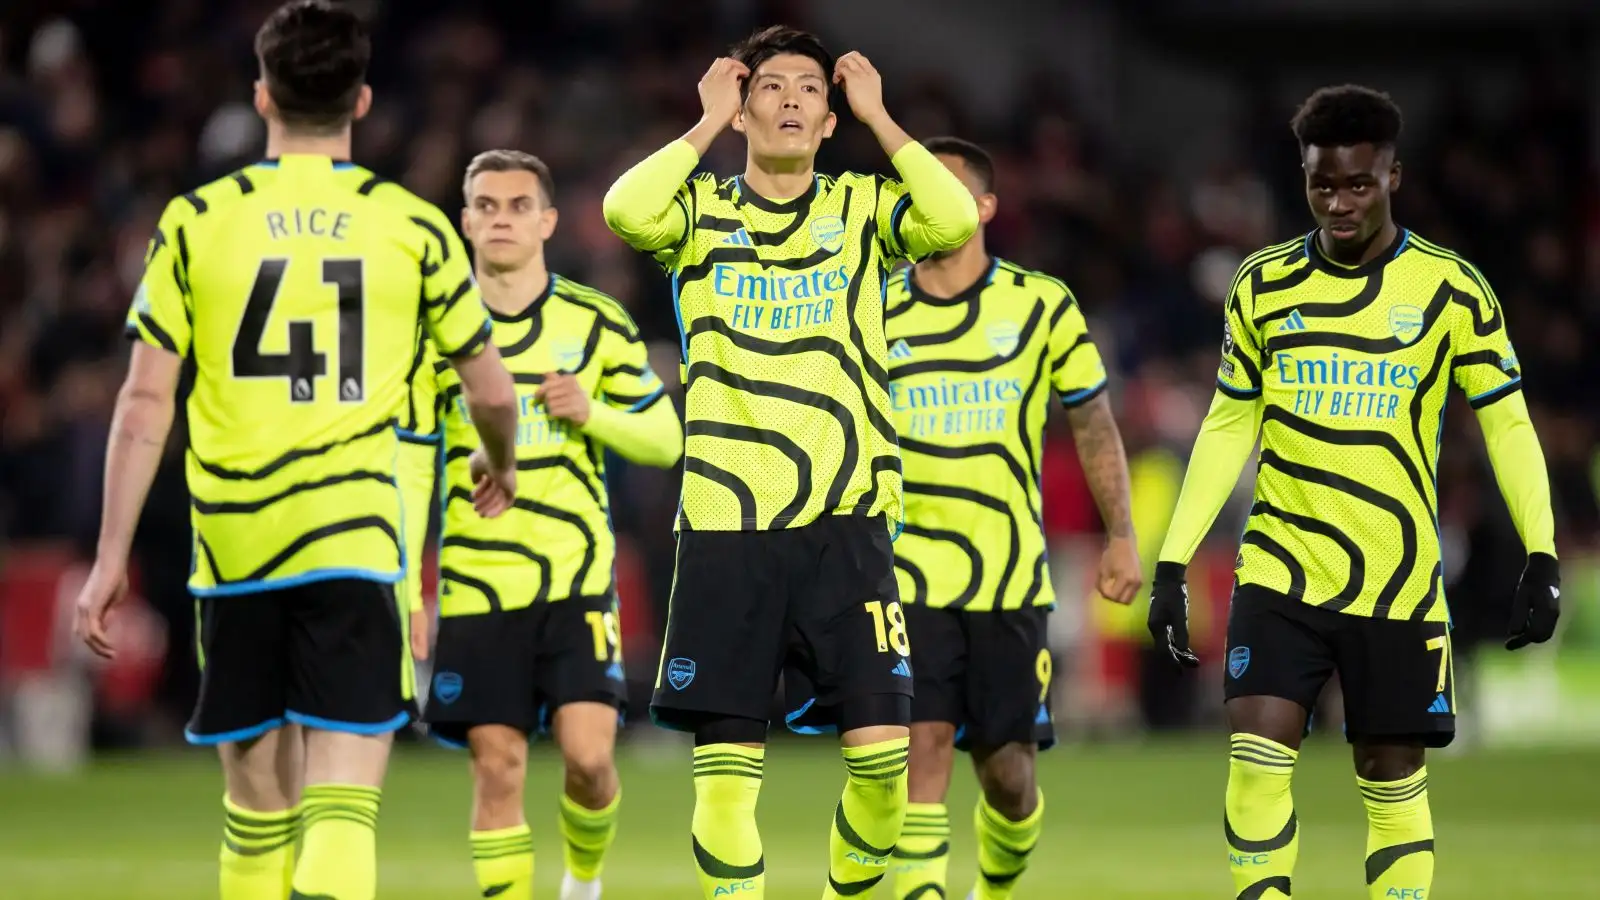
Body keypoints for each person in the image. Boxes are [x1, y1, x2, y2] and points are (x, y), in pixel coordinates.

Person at [71, 3, 519, 900]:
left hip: (236, 548)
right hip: (355, 536)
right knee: (343, 807)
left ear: (261, 94)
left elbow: (144, 399)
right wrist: (498, 462)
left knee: (255, 811)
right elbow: (491, 388)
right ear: (361, 101)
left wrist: (110, 556)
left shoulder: (197, 219)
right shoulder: (413, 226)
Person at [1146, 84, 1560, 900]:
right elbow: (1229, 426)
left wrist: (1542, 552)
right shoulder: (1263, 286)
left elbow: (1507, 426)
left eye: (1357, 184)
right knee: (1256, 753)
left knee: (1391, 773)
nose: (1338, 202)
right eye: (1321, 184)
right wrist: (1172, 561)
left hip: (1397, 578)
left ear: (1393, 176)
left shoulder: (1451, 290)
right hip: (1281, 568)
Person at [602, 25, 978, 900]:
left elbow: (954, 217)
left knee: (884, 768)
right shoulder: (700, 214)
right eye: (771, 87)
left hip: (846, 524)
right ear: (743, 107)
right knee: (728, 777)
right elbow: (626, 208)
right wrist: (702, 124)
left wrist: (882, 118)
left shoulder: (860, 210)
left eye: (811, 88)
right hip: (728, 525)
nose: (792, 101)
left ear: (829, 115)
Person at [405, 149, 683, 900]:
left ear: (548, 221)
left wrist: (592, 413)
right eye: (486, 206)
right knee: (497, 768)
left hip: (575, 578)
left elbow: (667, 440)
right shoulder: (433, 332)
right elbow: (404, 458)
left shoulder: (595, 324)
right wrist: (406, 581)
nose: (501, 218)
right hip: (475, 581)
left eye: (518, 205)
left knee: (591, 762)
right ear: (465, 220)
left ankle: (582, 883)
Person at [883, 137, 1142, 900]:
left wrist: (1121, 537)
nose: (926, 204)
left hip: (1008, 578)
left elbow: (1093, 423)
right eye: (915, 191)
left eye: (947, 190)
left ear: (987, 207)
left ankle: (995, 887)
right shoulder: (875, 308)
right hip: (908, 572)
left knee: (1007, 777)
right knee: (919, 748)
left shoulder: (1040, 303)